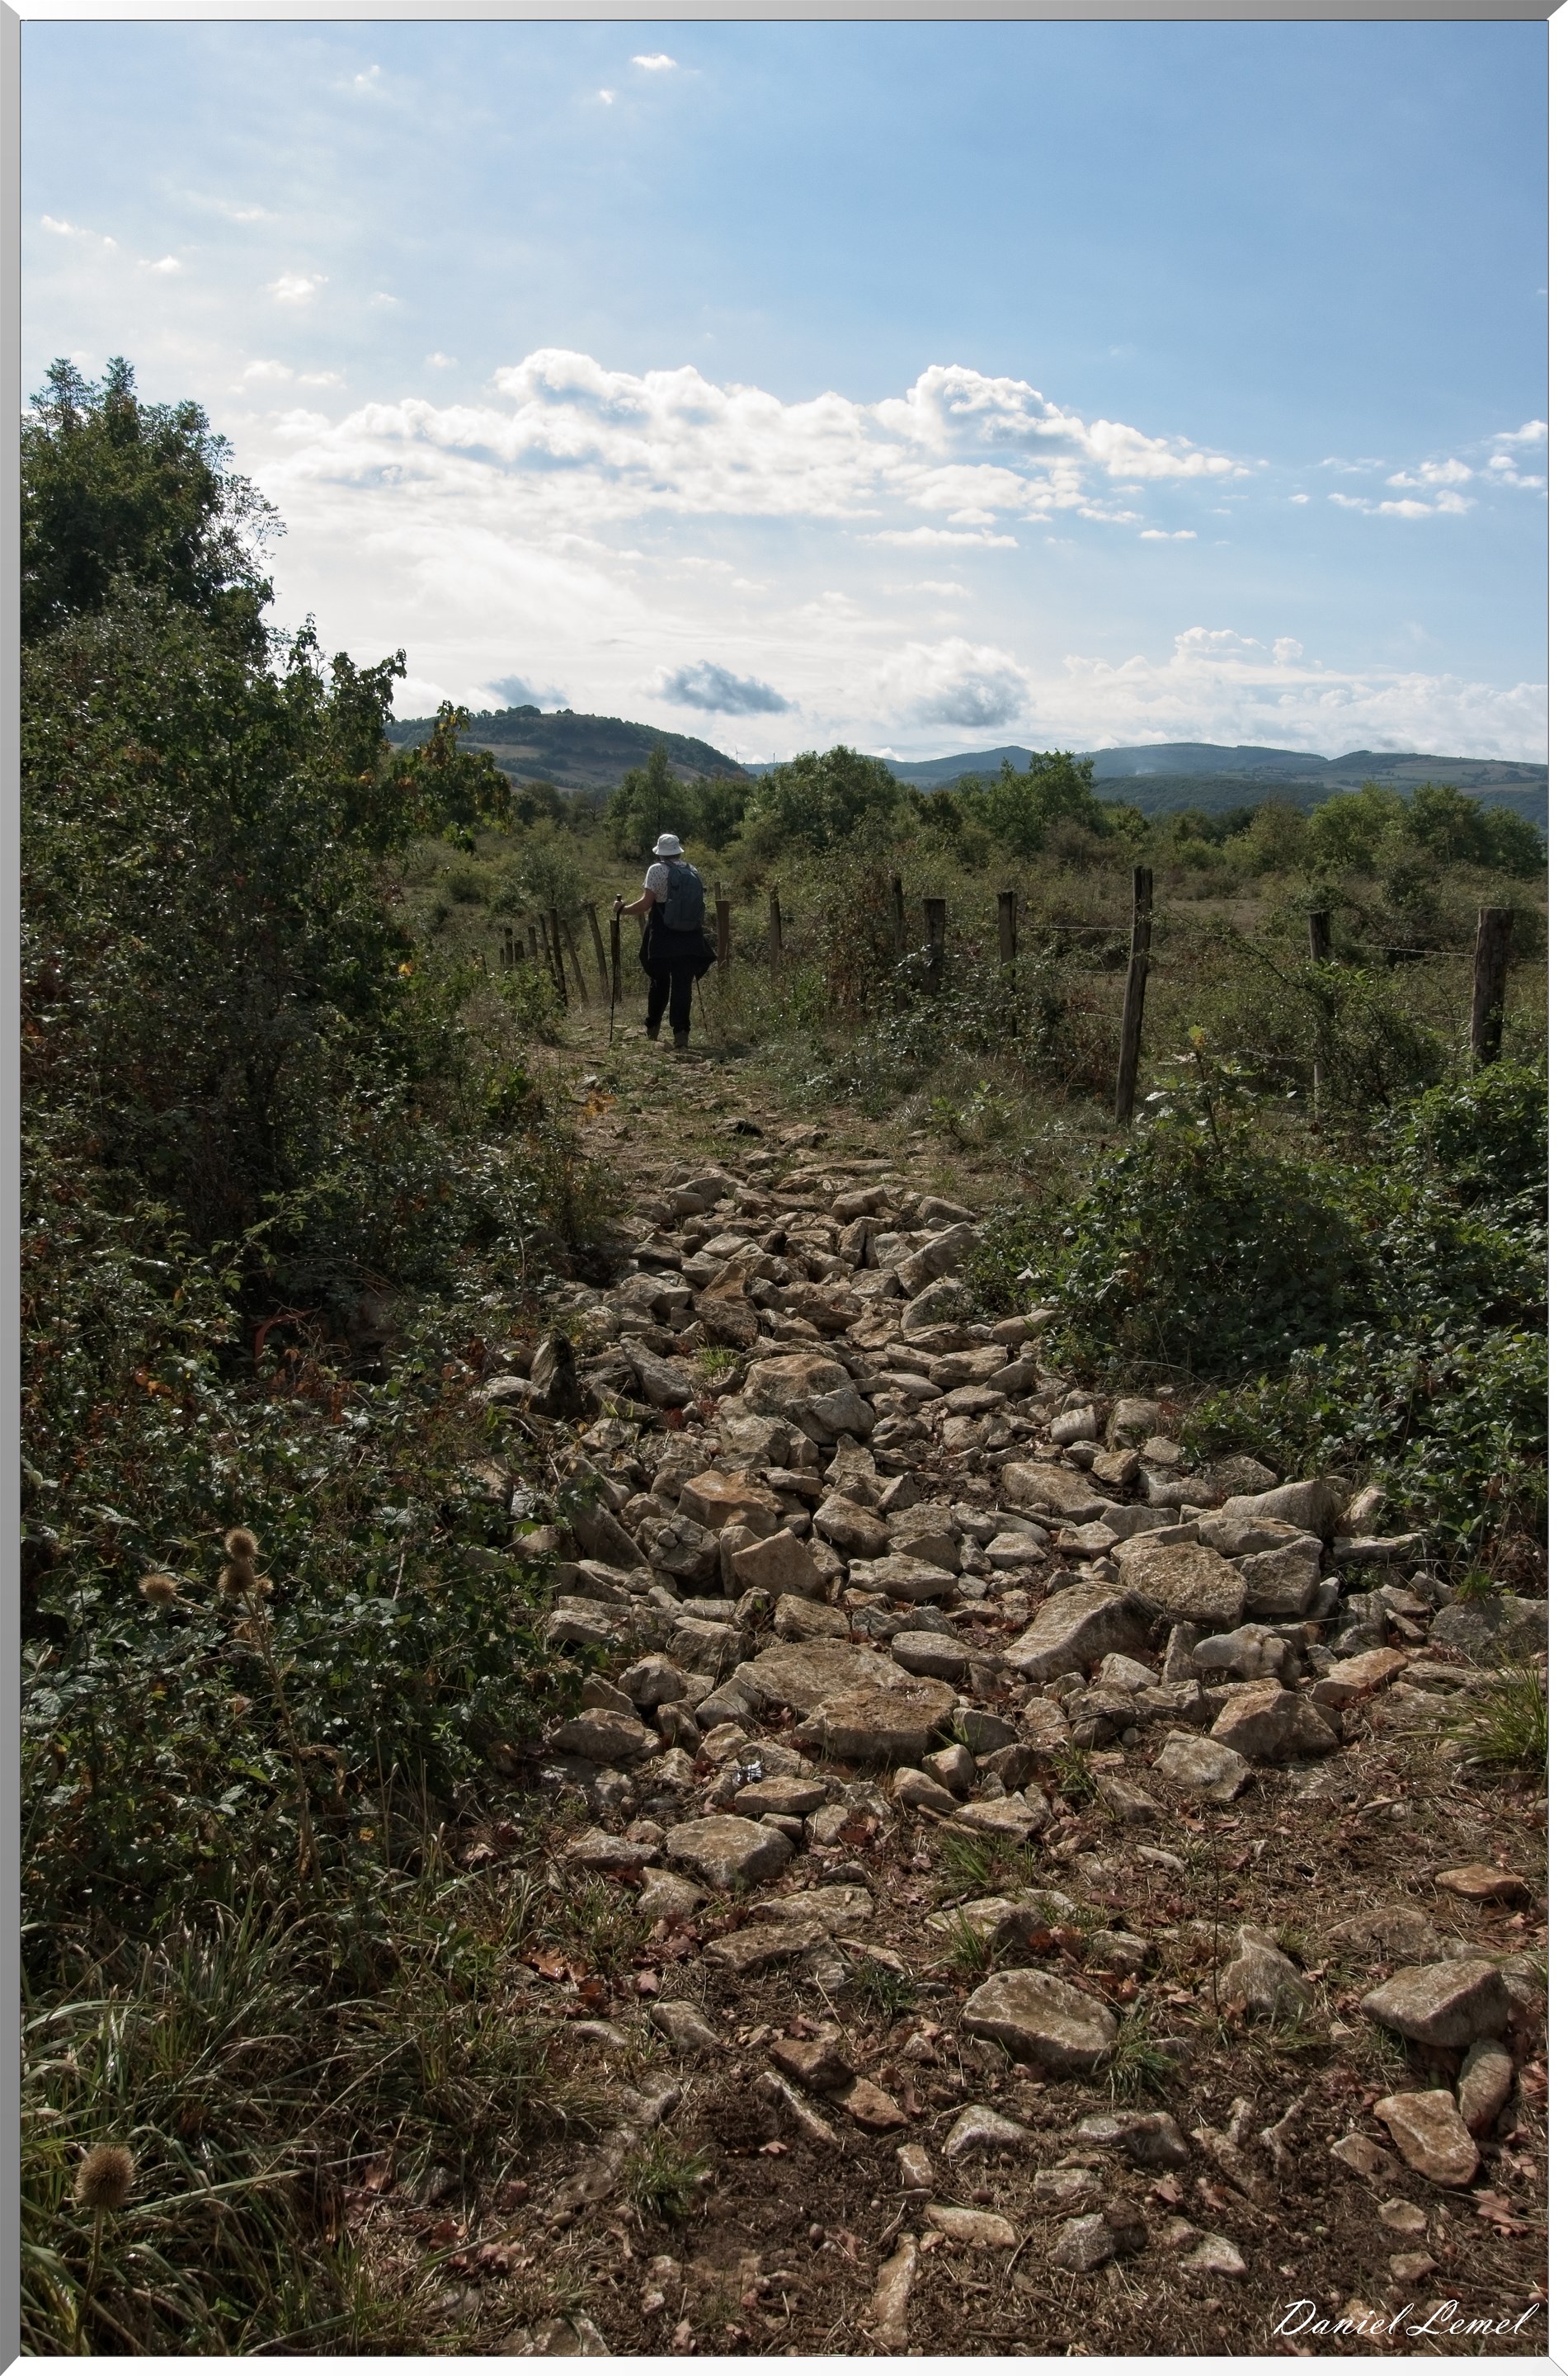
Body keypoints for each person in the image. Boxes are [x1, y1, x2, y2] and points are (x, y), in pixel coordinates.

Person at [615, 832, 713, 1049]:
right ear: (678, 851)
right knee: (683, 986)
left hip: (663, 936)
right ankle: (681, 1035)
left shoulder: (656, 870)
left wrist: (622, 909)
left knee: (659, 982)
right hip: (690, 937)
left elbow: (645, 904)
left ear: (660, 853)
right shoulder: (692, 870)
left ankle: (653, 1028)